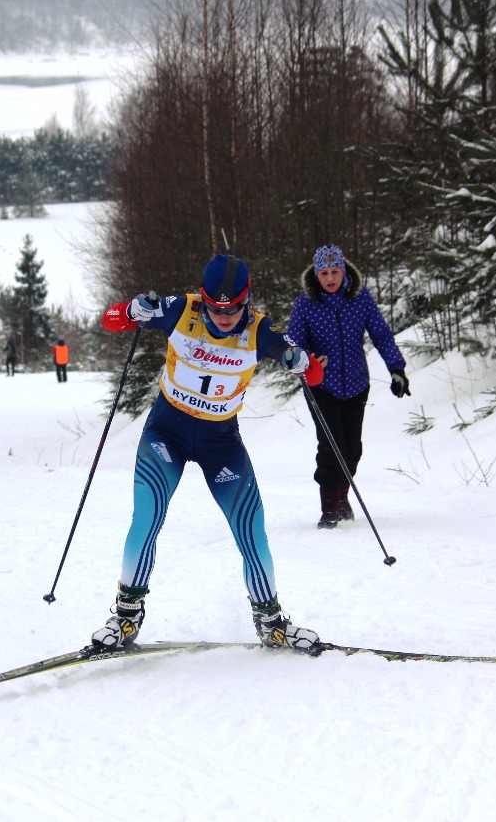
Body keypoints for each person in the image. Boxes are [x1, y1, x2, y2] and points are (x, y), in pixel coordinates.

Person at [90, 253, 325, 656]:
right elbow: (111, 321)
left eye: (233, 308)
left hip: (221, 445)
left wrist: (300, 361)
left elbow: (313, 374)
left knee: (252, 530)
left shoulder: (259, 329)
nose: (225, 316)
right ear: (203, 299)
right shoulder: (181, 310)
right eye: (216, 309)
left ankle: (271, 622)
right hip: (167, 434)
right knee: (147, 516)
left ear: (246, 300)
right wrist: (132, 310)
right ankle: (126, 615)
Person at [287, 244, 410, 529]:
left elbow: (380, 333)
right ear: (316, 275)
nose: (330, 279)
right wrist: (309, 360)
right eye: (324, 273)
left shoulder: (360, 298)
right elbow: (293, 345)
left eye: (335, 272)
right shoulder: (305, 303)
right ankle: (329, 508)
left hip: (356, 384)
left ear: (344, 271)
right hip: (321, 386)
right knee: (331, 447)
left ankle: (342, 498)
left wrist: (397, 369)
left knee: (352, 448)